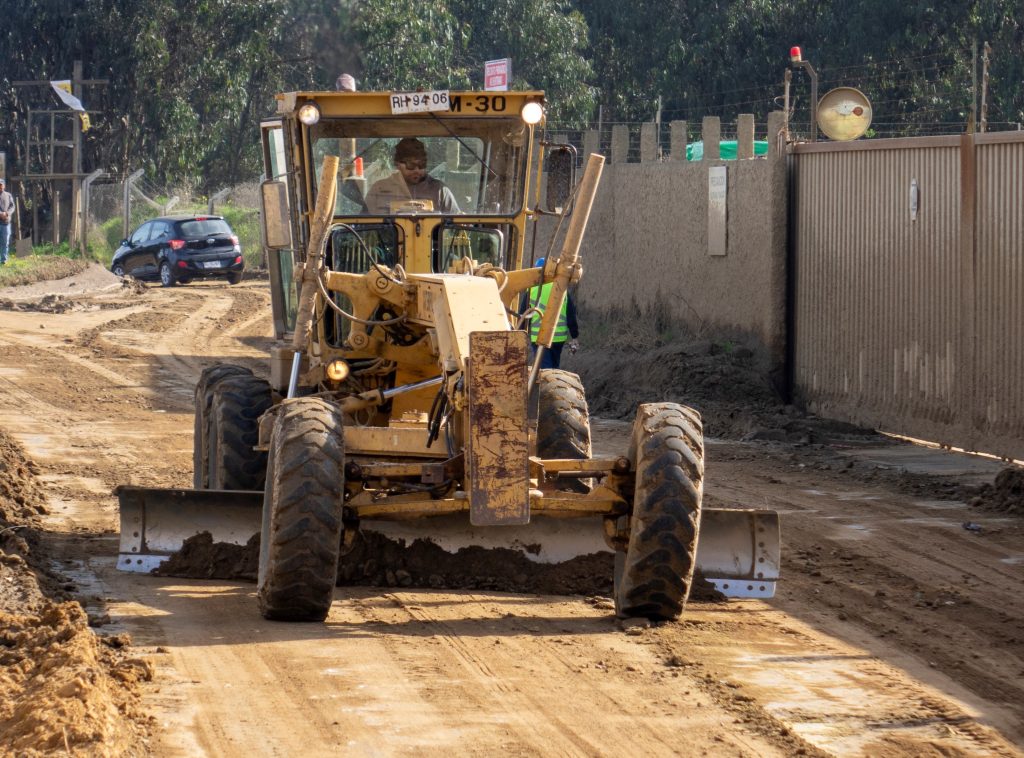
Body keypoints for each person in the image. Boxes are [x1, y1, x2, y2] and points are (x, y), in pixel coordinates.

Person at [365, 138, 460, 215]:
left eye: (422, 165)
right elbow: (363, 227)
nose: (417, 170)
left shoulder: (440, 191)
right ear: (397, 164)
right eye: (411, 165)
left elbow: (456, 225)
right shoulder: (379, 189)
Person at [523, 257, 579, 369]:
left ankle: (550, 385)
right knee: (554, 366)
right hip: (558, 338)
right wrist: (575, 336)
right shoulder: (562, 289)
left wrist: (522, 334)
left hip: (539, 337)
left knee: (545, 369)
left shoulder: (532, 289)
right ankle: (554, 384)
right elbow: (571, 315)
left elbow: (523, 315)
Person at [0, 179, 14, 265]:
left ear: (4, 186)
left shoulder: (8, 195)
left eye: (1, 185)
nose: (0, 187)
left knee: (5, 242)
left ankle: (3, 260)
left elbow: (12, 206)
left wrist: (7, 213)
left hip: (6, 223)